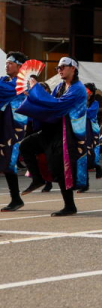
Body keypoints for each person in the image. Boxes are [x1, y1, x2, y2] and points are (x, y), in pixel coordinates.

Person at [16, 57, 89, 216]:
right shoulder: (60, 86)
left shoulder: (78, 89)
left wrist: (37, 90)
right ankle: (37, 179)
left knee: (60, 168)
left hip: (68, 133)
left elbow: (57, 105)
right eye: (58, 68)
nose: (59, 70)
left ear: (73, 68)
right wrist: (33, 95)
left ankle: (70, 206)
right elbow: (49, 103)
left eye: (63, 67)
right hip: (53, 129)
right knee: (26, 146)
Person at [1, 51, 32, 211]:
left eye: (10, 63)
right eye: (6, 63)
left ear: (20, 67)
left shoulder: (22, 83)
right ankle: (16, 198)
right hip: (3, 124)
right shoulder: (4, 80)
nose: (7, 66)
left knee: (9, 161)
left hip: (14, 126)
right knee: (6, 161)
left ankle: (16, 198)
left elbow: (5, 90)